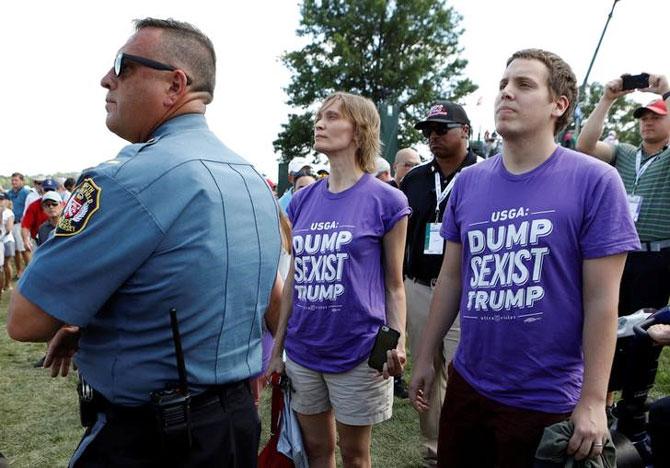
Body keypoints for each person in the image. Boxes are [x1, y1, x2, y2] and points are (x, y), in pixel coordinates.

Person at [7, 17, 280, 467]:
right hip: (233, 425)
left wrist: (81, 317)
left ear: (175, 85)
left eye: (124, 65)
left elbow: (26, 320)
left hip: (151, 438)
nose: (107, 79)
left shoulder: (127, 179)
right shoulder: (251, 180)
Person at [410, 48, 640, 467]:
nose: (506, 94)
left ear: (559, 105)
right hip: (468, 387)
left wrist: (592, 400)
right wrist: (426, 356)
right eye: (503, 84)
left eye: (524, 85)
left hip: (546, 398)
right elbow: (452, 278)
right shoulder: (469, 183)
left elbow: (603, 302)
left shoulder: (597, 182)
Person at [267, 91, 410, 468]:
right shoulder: (302, 200)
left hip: (359, 352)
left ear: (359, 129)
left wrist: (396, 343)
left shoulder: (387, 201)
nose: (320, 123)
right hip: (303, 351)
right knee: (316, 453)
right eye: (319, 116)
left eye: (332, 117)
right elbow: (296, 277)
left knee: (355, 456)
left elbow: (394, 285)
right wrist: (277, 350)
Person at [400, 100, 480, 466]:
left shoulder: (486, 174)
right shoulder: (415, 178)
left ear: (465, 130)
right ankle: (435, 448)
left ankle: (462, 445)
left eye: (441, 128)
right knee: (425, 367)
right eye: (428, 131)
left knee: (462, 371)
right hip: (418, 285)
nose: (433, 136)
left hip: (465, 290)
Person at [576, 75, 670, 317]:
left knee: (641, 332)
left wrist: (666, 92)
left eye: (657, 117)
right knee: (608, 321)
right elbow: (585, 146)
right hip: (618, 252)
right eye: (644, 118)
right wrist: (607, 99)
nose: (648, 122)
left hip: (656, 258)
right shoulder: (625, 153)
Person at [21, 177, 58, 251]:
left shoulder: (63, 204)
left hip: (58, 239)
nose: (49, 192)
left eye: (51, 190)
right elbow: (26, 225)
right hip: (39, 240)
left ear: (56, 190)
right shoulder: (34, 205)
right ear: (42, 189)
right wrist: (26, 240)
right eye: (47, 190)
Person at [6, 172, 31, 278]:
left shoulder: (26, 193)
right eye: (12, 180)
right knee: (16, 250)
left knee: (24, 249)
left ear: (22, 181)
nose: (13, 182)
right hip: (11, 224)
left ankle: (30, 271)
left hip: (22, 224)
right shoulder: (9, 193)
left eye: (16, 180)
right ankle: (20, 271)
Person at [0, 195, 14, 291]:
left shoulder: (8, 212)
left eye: (1, 199)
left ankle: (8, 284)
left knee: (6, 263)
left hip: (7, 241)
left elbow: (9, 229)